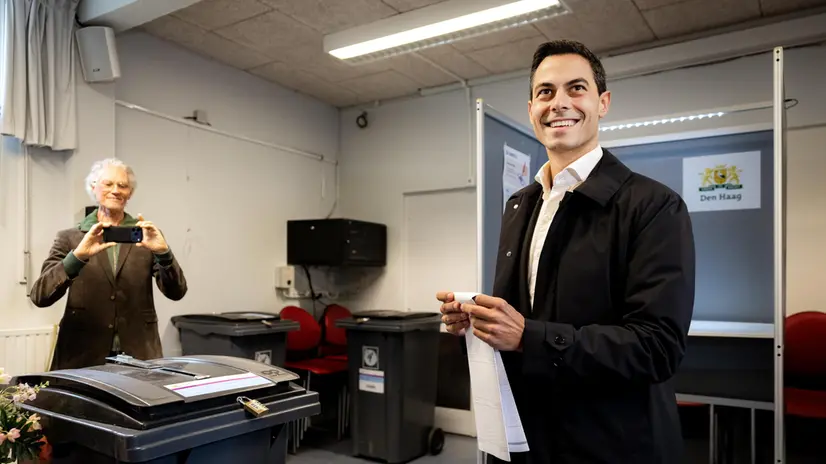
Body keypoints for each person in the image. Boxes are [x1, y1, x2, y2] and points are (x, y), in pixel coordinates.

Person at [438, 40, 695, 463]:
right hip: (529, 434)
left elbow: (658, 347)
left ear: (603, 102)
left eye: (576, 88)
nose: (559, 103)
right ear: (531, 109)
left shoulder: (653, 206)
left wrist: (528, 336)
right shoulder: (520, 205)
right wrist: (479, 321)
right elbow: (522, 316)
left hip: (612, 442)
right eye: (545, 92)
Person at [30, 158, 187, 370]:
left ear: (130, 193)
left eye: (122, 185)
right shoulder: (70, 238)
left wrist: (163, 253)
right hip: (81, 355)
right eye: (108, 184)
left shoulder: (147, 236)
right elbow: (40, 296)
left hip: (139, 353)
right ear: (93, 187)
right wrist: (76, 257)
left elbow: (176, 292)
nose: (116, 190)